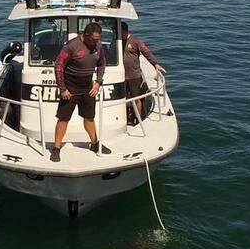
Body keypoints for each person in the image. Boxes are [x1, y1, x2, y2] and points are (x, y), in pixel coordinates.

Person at [51, 22, 110, 162]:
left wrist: (98, 81)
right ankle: (56, 148)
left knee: (89, 117)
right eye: (94, 39)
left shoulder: (98, 46)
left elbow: (102, 64)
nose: (97, 42)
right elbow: (58, 67)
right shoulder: (71, 46)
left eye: (99, 39)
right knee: (63, 119)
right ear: (86, 35)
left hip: (87, 87)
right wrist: (63, 89)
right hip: (70, 88)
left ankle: (95, 144)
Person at [120, 22, 165, 125]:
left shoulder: (135, 41)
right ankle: (124, 117)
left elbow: (146, 52)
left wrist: (155, 64)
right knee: (122, 98)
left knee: (136, 97)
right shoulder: (117, 41)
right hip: (121, 76)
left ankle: (138, 118)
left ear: (125, 30)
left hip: (134, 75)